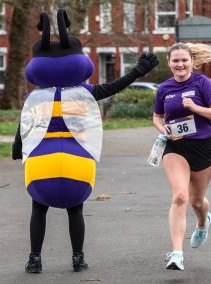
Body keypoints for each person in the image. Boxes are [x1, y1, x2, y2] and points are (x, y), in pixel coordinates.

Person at [12, 10, 158, 273]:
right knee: (75, 210)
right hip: (76, 161)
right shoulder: (86, 93)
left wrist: (17, 148)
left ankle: (34, 259)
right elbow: (114, 86)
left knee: (38, 208)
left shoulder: (36, 97)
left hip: (41, 162)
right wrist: (138, 70)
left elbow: (25, 125)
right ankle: (78, 258)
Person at [152, 42, 211, 271]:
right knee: (180, 196)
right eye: (175, 60)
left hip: (203, 147)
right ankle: (177, 254)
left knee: (196, 200)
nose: (180, 64)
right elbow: (157, 116)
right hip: (176, 147)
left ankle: (203, 223)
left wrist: (196, 108)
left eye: (184, 60)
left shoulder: (202, 83)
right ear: (169, 63)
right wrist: (161, 127)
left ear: (192, 61)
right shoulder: (164, 88)